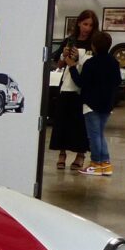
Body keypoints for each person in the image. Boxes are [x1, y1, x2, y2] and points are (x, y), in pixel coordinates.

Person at [66, 30, 119, 176]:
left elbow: (81, 82)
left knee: (94, 135)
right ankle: (105, 164)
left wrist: (72, 66)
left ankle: (96, 163)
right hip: (107, 104)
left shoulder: (90, 63)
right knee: (99, 134)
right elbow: (117, 82)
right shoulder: (114, 62)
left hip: (91, 105)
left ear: (93, 46)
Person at [50, 9, 97, 170]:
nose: (87, 28)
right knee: (62, 120)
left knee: (81, 124)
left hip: (85, 88)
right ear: (79, 23)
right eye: (85, 24)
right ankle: (62, 153)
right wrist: (64, 56)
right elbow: (59, 65)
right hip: (67, 86)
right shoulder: (69, 40)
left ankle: (80, 154)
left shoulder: (94, 43)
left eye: (91, 25)